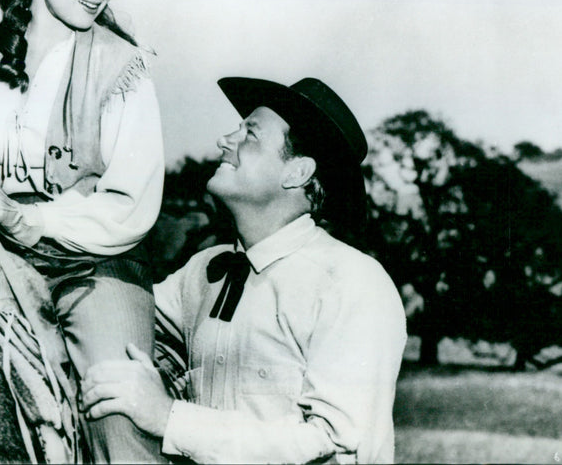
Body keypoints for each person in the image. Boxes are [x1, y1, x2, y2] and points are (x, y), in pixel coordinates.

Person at [81, 77, 408, 464]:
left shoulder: (353, 284)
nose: (225, 140)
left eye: (250, 134)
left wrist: (170, 419)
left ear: (297, 172)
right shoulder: (202, 272)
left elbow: (337, 446)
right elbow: (121, 322)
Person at [0, 0, 164, 462]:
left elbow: (129, 207)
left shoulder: (123, 66)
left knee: (119, 410)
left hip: (92, 266)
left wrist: (25, 217)